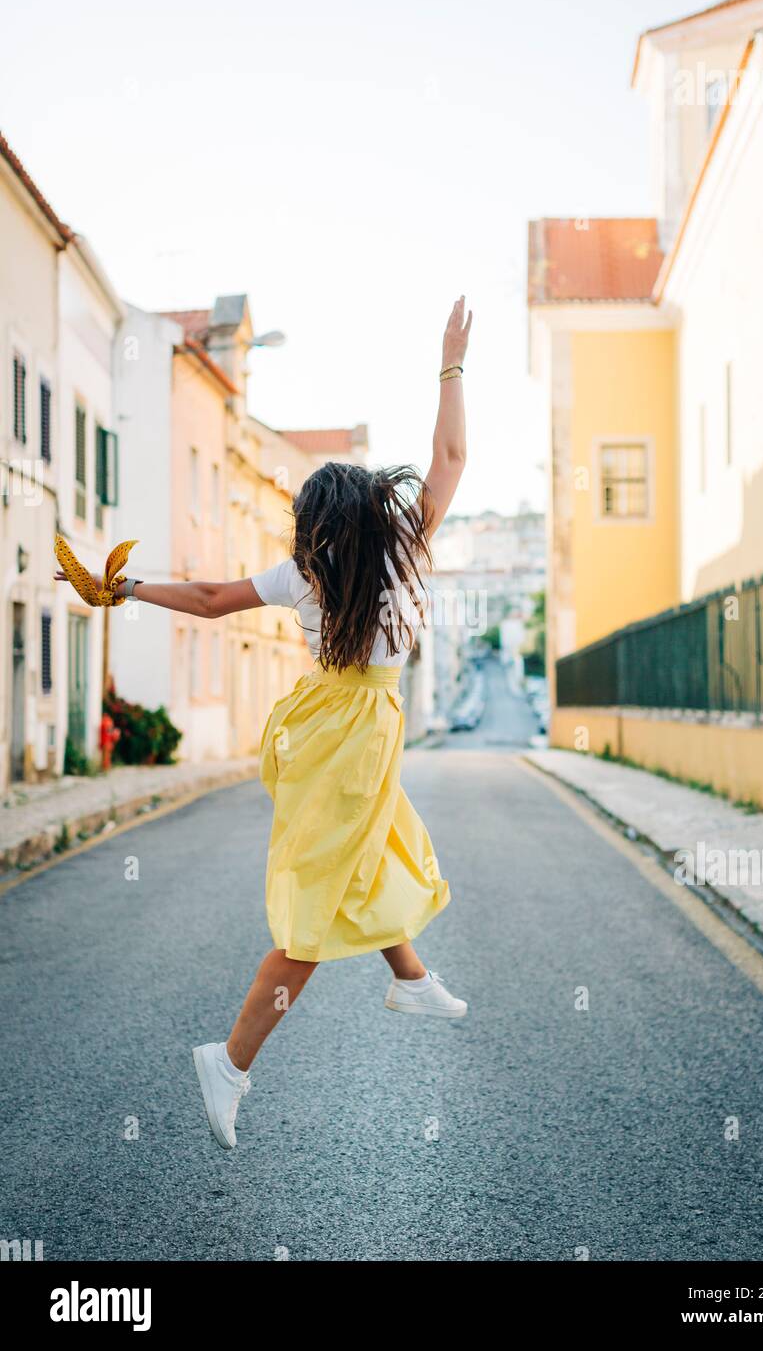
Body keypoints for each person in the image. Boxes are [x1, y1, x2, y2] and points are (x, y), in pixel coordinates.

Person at [57, 297, 472, 1150]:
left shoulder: (303, 574)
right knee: (315, 916)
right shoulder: (399, 548)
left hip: (332, 730)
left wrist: (128, 590)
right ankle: (231, 1061)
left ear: (317, 526)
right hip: (353, 740)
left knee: (381, 853)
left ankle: (411, 977)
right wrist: (450, 365)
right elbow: (451, 455)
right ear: (369, 511)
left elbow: (209, 600)